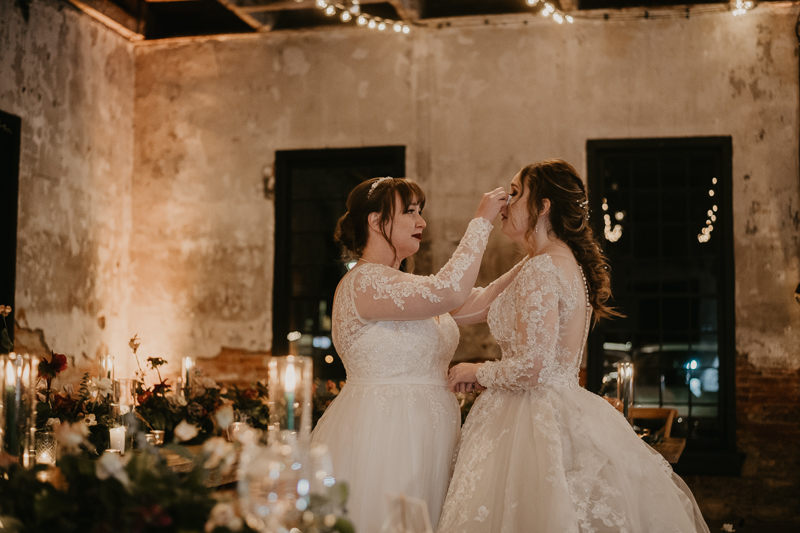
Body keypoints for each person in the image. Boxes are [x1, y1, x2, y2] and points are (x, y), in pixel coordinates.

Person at [439, 160, 710, 533]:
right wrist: (480, 225)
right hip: (549, 408)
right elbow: (463, 304)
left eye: (516, 193)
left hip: (530, 420)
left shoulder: (542, 268)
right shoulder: (549, 262)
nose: (506, 203)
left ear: (544, 205)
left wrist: (476, 370)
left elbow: (531, 368)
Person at [311, 176, 522, 533]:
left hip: (434, 432)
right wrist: (481, 221)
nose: (421, 222)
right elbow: (451, 291)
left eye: (420, 212)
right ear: (376, 221)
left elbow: (479, 302)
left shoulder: (409, 287)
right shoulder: (363, 282)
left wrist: (536, 258)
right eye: (409, 212)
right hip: (386, 432)